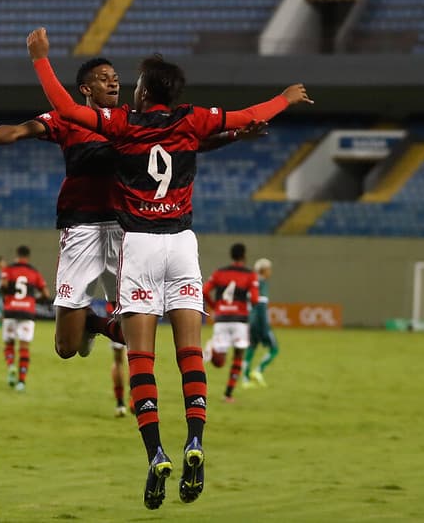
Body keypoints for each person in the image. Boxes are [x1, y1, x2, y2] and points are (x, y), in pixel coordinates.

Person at [26, 27, 312, 509]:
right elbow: (247, 116)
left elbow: (68, 110)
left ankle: (155, 452)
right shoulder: (193, 119)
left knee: (142, 357)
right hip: (182, 244)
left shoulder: (123, 123)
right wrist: (283, 99)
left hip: (139, 244)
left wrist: (40, 59)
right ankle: (195, 440)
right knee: (190, 352)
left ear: (144, 92)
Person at [0, 59, 264, 361]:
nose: (113, 83)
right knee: (66, 347)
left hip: (128, 230)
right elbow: (18, 130)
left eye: (115, 79)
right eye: (103, 79)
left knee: (134, 335)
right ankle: (88, 323)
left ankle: (94, 324)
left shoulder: (132, 120)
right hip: (81, 228)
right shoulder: (66, 120)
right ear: (86, 88)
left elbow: (193, 143)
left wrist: (234, 135)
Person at [203, 243, 259, 402]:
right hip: (240, 321)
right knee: (238, 356)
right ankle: (228, 394)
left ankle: (212, 350)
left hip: (222, 319)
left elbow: (204, 291)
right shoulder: (250, 275)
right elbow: (255, 299)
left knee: (219, 362)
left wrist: (215, 306)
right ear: (244, 255)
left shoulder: (220, 272)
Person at [1, 245, 51, 392]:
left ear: (17, 255)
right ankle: (21, 382)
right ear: (28, 256)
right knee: (24, 348)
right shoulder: (34, 272)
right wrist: (34, 299)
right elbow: (46, 294)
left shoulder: (8, 269)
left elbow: (3, 285)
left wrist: (7, 295)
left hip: (11, 310)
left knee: (9, 344)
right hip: (27, 312)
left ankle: (11, 366)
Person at [243, 258, 278, 387]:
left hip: (250, 321)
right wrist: (265, 328)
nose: (270, 272)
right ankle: (258, 370)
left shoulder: (251, 282)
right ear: (264, 270)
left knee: (251, 349)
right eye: (269, 269)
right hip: (260, 322)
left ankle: (246, 379)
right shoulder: (261, 283)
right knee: (274, 349)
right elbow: (261, 306)